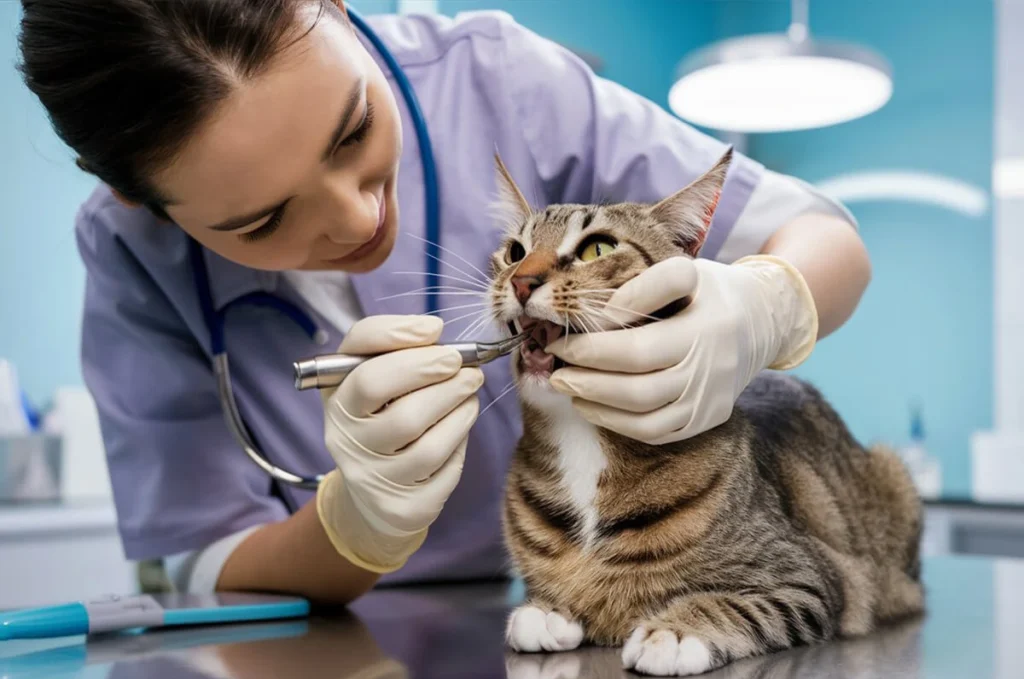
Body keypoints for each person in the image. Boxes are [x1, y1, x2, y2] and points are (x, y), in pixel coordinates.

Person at [17, 0, 870, 604]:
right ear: (137, 199)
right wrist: (358, 522)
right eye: (264, 219)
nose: (359, 216)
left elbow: (821, 235)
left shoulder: (499, 79)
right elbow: (207, 557)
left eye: (354, 131)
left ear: (339, 7)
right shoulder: (131, 255)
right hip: (348, 640)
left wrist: (766, 304)